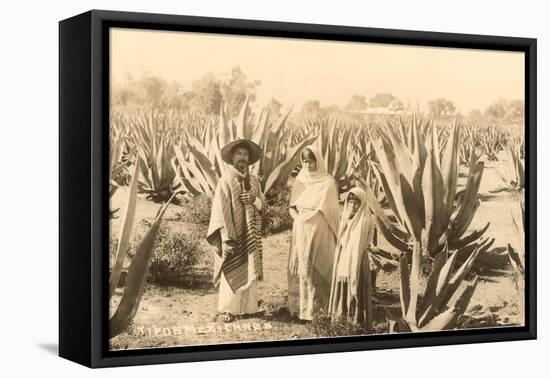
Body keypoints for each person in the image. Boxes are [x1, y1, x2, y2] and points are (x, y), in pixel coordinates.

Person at [207, 138, 265, 322]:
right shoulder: (225, 181)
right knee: (231, 268)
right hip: (232, 234)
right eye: (239, 154)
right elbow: (219, 212)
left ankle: (250, 308)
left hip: (251, 234)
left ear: (249, 159)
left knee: (250, 267)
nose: (242, 157)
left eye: (245, 154)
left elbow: (263, 206)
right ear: (232, 157)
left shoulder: (254, 181)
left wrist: (254, 199)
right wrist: (225, 237)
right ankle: (228, 309)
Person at [288, 146, 339, 321]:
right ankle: (303, 310)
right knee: (304, 268)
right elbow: (292, 207)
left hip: (321, 230)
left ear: (318, 160)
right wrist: (298, 220)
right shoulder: (300, 179)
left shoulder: (328, 181)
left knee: (321, 266)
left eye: (312, 160)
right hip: (302, 231)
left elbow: (333, 212)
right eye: (305, 161)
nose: (309, 165)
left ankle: (321, 310)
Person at [329, 187, 374, 330]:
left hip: (358, 261)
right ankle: (341, 319)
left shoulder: (366, 219)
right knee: (343, 287)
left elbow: (365, 243)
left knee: (357, 289)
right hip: (344, 259)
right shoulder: (345, 218)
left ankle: (356, 321)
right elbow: (341, 240)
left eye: (357, 203)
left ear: (362, 204)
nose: (353, 206)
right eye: (351, 202)